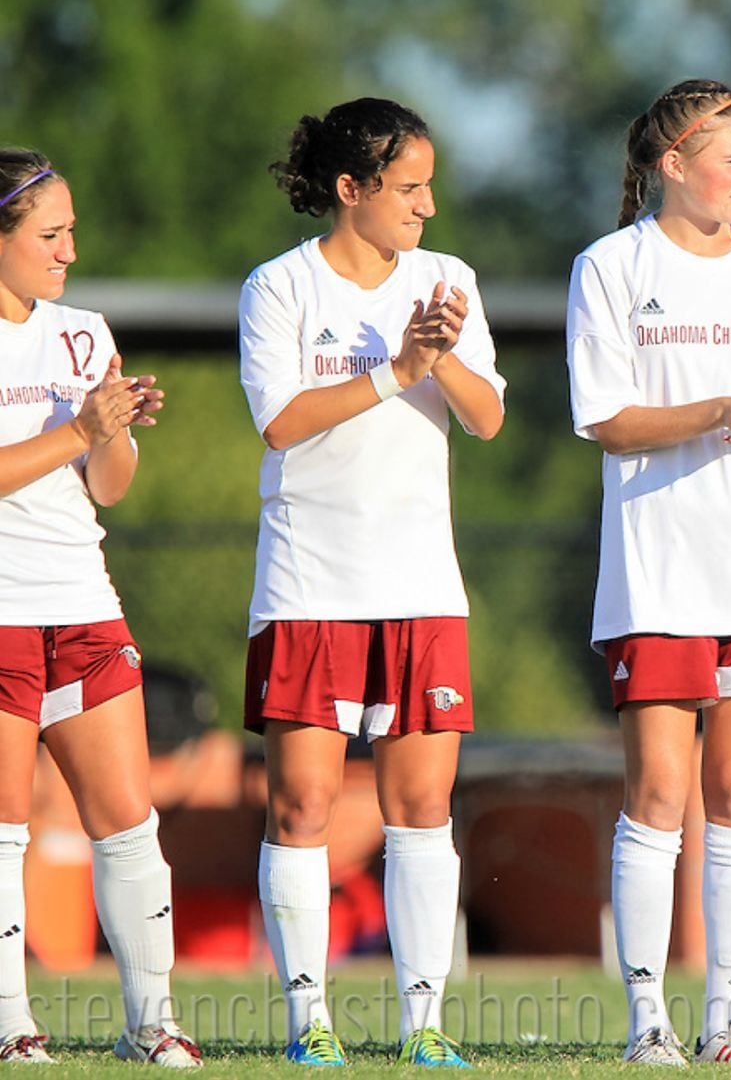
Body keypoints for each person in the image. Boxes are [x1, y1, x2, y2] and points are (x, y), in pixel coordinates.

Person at [239, 99, 505, 1068]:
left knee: (422, 811)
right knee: (303, 807)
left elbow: (486, 419)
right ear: (350, 190)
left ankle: (422, 1025)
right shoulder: (278, 286)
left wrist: (440, 361)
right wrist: (398, 369)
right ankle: (309, 1019)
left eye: (430, 186)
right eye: (408, 187)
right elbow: (282, 421)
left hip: (423, 587)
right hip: (310, 582)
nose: (427, 206)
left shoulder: (447, 280)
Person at [566, 78, 731, 1068]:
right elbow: (607, 418)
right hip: (658, 563)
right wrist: (717, 409)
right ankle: (646, 1021)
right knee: (661, 788)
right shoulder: (611, 265)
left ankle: (727, 1019)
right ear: (675, 165)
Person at [0, 149, 202, 1068]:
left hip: (83, 601)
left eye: (72, 230)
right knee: (5, 828)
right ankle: (13, 1024)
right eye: (50, 233)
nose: (68, 250)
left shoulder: (83, 332)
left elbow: (108, 487)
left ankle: (151, 1022)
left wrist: (108, 433)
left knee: (128, 817)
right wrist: (77, 429)